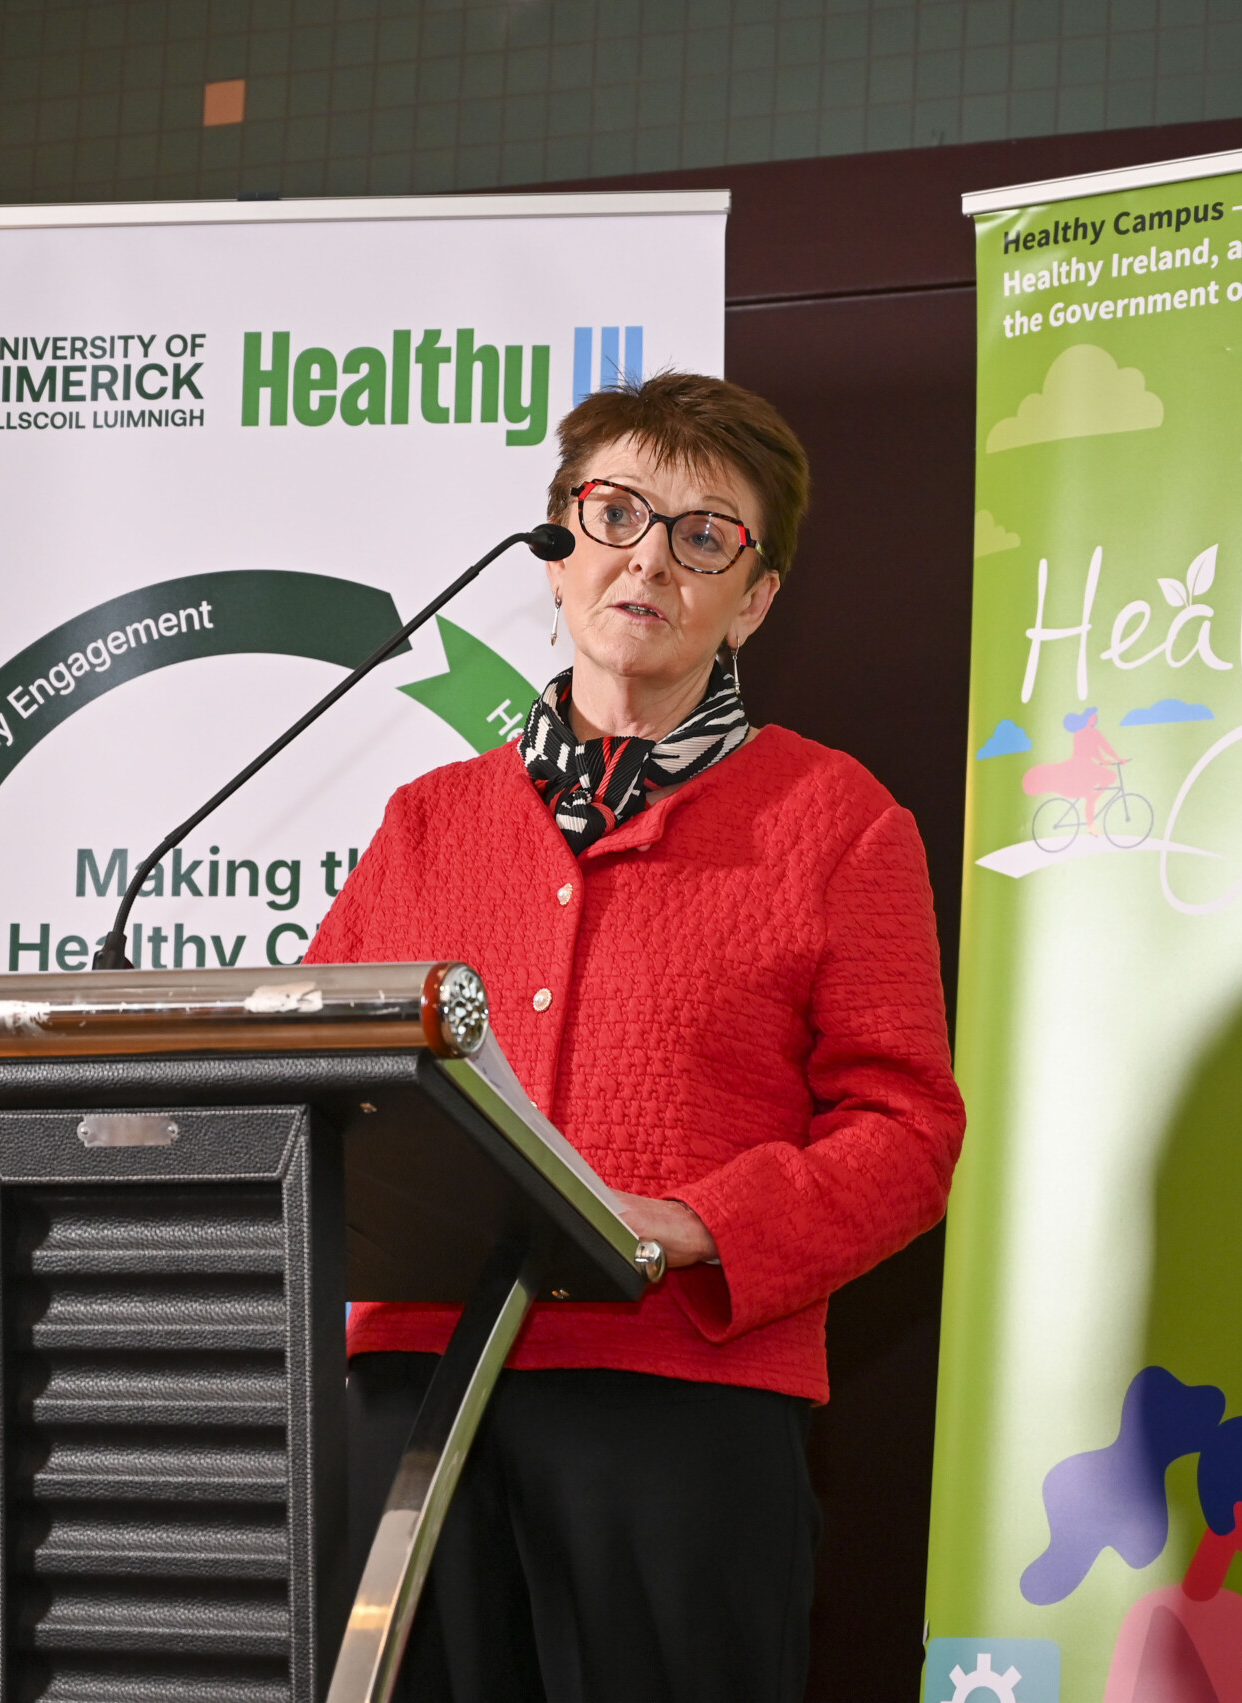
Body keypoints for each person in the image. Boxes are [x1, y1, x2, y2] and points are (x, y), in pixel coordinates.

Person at [303, 371, 965, 1703]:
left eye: (704, 532)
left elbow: (908, 1132)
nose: (649, 558)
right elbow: (318, 1080)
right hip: (411, 1399)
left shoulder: (838, 822)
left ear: (754, 596)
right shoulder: (428, 819)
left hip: (681, 1410)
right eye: (615, 513)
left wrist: (688, 1221)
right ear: (556, 543)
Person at [1022, 705, 1124, 830]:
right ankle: (1092, 813)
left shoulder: (1080, 732)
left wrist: (1104, 760)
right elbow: (1100, 748)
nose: (1095, 717)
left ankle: (1092, 803)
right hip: (1083, 765)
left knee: (1095, 789)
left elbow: (1096, 749)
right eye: (1093, 715)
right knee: (1110, 777)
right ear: (1089, 718)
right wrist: (1115, 760)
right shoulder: (1089, 732)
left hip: (1080, 764)